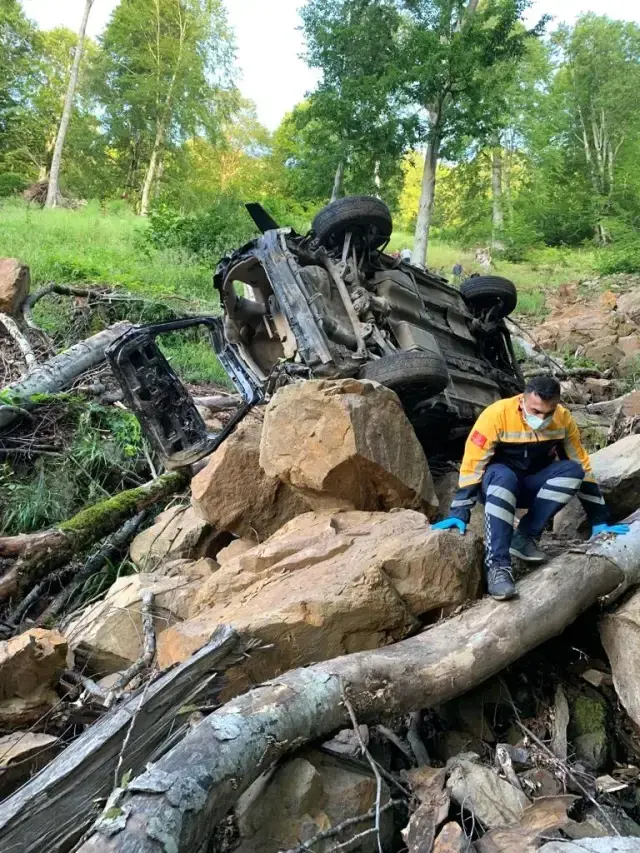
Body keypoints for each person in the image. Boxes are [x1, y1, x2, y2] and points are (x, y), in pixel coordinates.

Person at [433, 376, 630, 601]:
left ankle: (525, 537)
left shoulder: (563, 419)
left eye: (548, 412)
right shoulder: (496, 415)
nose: (542, 418)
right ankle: (497, 566)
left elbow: (581, 465)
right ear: (523, 400)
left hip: (532, 485)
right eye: (536, 411)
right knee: (503, 477)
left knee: (572, 471)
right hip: (497, 484)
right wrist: (459, 511)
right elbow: (472, 464)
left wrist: (599, 519)